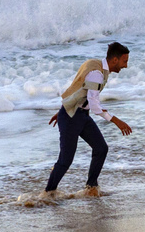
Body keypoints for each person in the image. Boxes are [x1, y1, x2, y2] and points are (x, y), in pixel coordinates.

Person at [40, 42, 133, 200]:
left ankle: (91, 188)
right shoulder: (96, 72)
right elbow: (95, 105)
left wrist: (64, 108)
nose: (126, 65)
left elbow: (77, 87)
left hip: (80, 115)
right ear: (115, 60)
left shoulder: (95, 65)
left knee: (101, 148)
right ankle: (47, 194)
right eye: (124, 61)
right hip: (72, 117)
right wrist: (117, 121)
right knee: (65, 160)